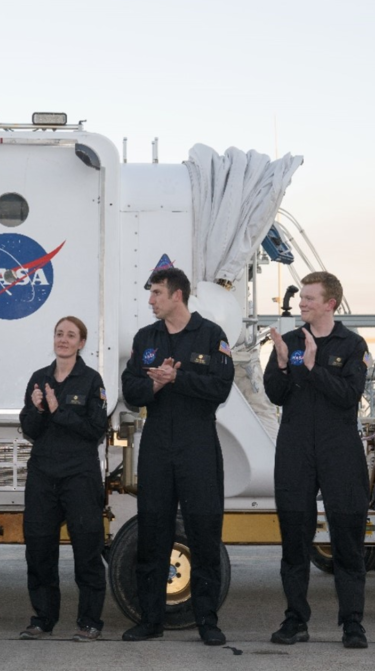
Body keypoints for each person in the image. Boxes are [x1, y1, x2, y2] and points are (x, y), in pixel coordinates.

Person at [120, 267, 235, 646]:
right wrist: (154, 382)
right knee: (153, 533)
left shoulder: (210, 334)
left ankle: (207, 621)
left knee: (204, 534)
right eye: (151, 293)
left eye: (156, 293)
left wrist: (177, 379)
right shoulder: (146, 338)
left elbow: (220, 387)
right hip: (156, 445)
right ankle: (150, 620)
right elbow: (131, 389)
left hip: (198, 443)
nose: (151, 300)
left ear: (177, 296)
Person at [263, 271, 370, 649]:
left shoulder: (353, 344)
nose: (302, 303)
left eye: (310, 298)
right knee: (294, 537)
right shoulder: (289, 342)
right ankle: (295, 619)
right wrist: (280, 365)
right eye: (302, 297)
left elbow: (349, 394)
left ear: (330, 303)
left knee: (347, 539)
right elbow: (275, 395)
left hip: (338, 450)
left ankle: (352, 623)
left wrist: (312, 369)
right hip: (295, 449)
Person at [18, 316, 109, 642]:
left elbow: (96, 430)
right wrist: (38, 410)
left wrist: (59, 411)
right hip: (43, 474)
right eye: (59, 334)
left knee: (87, 549)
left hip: (79, 476)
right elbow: (29, 429)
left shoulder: (90, 380)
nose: (64, 340)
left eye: (71, 335)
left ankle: (89, 622)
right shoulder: (39, 378)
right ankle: (43, 619)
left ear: (81, 342)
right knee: (39, 550)